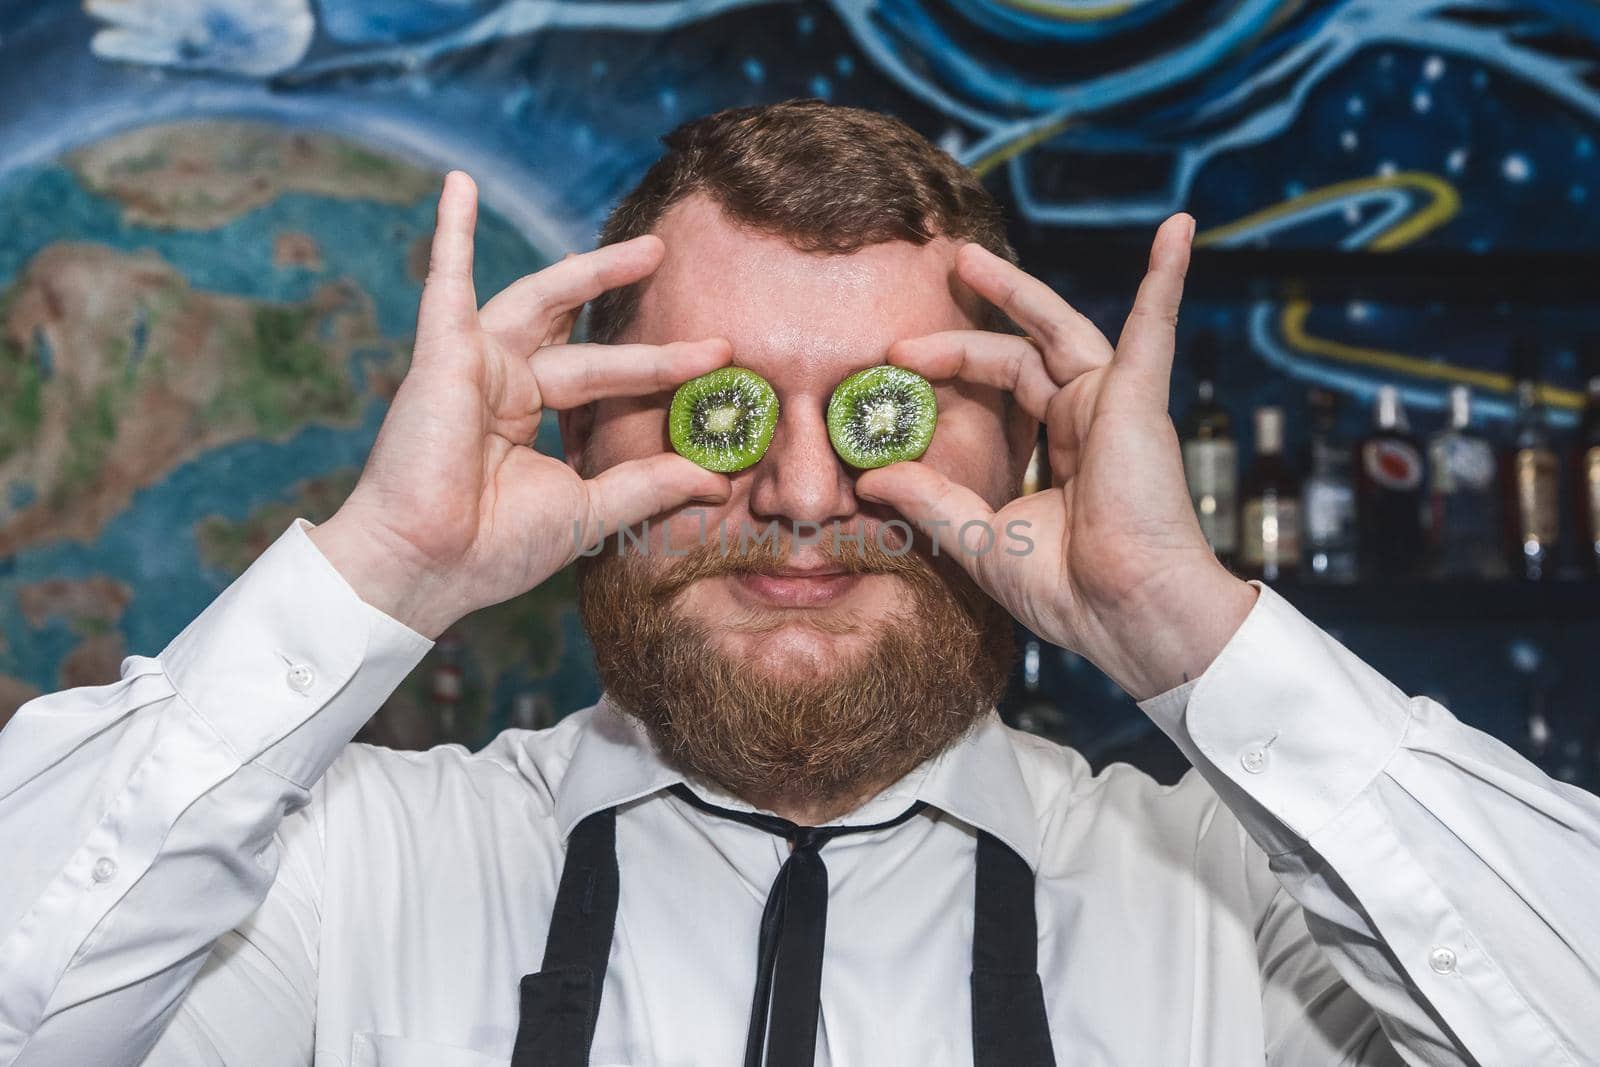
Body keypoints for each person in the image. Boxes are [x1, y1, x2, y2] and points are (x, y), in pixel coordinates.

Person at [0, 99, 1595, 1067]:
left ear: (1025, 464)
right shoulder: (351, 874)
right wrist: (381, 570)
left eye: (889, 418)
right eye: (726, 404)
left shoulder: (1236, 904)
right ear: (585, 429)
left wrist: (1189, 628)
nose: (807, 495)